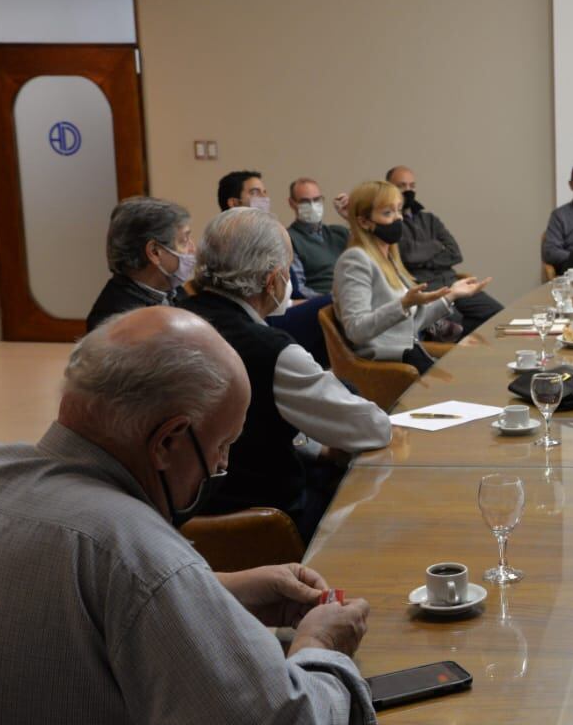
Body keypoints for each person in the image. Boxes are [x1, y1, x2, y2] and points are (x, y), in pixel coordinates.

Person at [0, 306, 376, 725]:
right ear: (166, 442)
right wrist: (321, 646)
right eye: (222, 446)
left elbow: (36, 603)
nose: (221, 466)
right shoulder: (137, 551)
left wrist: (212, 592)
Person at [182, 208, 392, 541]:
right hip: (266, 523)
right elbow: (372, 428)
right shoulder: (274, 352)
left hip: (181, 516)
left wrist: (312, 446)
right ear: (272, 280)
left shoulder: (172, 321)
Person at [332, 181, 491, 373]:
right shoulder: (355, 260)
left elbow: (413, 324)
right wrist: (403, 303)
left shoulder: (390, 259)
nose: (398, 218)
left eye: (398, 210)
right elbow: (356, 330)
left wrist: (452, 294)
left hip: (410, 352)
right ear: (364, 222)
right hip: (387, 364)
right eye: (387, 213)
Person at [218, 170, 332, 366]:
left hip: (283, 306)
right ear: (234, 203)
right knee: (335, 302)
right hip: (264, 318)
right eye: (255, 192)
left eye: (264, 192)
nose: (263, 197)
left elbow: (292, 293)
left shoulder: (263, 234)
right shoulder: (232, 240)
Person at [386, 165, 503, 334]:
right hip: (427, 289)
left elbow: (455, 253)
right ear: (389, 188)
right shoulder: (390, 223)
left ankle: (458, 337)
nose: (408, 190)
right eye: (401, 186)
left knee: (498, 315)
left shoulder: (430, 219)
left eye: (412, 186)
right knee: (455, 328)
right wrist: (436, 246)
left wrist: (423, 260)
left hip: (452, 282)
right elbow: (408, 255)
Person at [85, 196, 194, 331]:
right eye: (184, 241)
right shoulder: (118, 324)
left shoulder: (174, 291)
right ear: (154, 252)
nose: (192, 249)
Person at [287, 177, 350, 296]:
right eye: (305, 201)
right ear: (292, 203)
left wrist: (351, 218)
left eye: (317, 200)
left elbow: (372, 256)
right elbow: (299, 289)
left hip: (354, 294)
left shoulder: (340, 233)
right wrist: (330, 300)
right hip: (324, 301)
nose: (312, 205)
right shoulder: (289, 239)